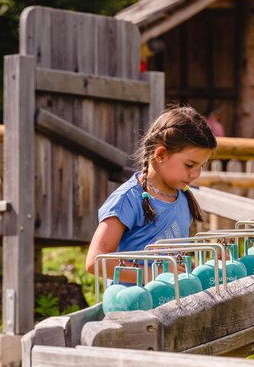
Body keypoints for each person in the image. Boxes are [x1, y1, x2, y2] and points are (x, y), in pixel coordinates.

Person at [85, 105, 216, 281]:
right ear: (160, 154)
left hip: (173, 297)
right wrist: (156, 274)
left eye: (201, 166)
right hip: (132, 298)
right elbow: (95, 261)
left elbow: (174, 261)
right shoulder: (128, 199)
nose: (196, 174)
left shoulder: (183, 198)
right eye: (190, 165)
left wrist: (203, 267)